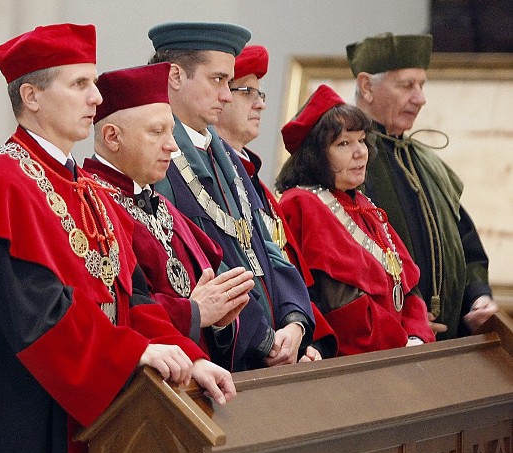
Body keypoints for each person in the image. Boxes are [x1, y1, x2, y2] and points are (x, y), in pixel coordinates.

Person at [0, 23, 236, 453]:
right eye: (79, 84)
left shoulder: (84, 186)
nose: (96, 97)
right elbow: (37, 316)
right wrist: (131, 353)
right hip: (27, 418)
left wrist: (190, 356)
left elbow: (132, 297)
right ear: (32, 96)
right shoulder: (2, 185)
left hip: (91, 406)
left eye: (93, 82)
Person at [147, 22, 315, 370]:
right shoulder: (158, 159)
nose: (227, 94)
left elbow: (269, 246)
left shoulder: (225, 154)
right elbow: (190, 260)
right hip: (224, 355)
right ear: (175, 76)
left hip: (273, 347)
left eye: (228, 82)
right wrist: (266, 339)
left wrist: (295, 322)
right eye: (217, 80)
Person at [82, 62, 255, 365]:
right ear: (112, 137)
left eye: (172, 131)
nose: (172, 146)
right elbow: (118, 308)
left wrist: (220, 319)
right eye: (156, 132)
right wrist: (194, 312)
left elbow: (209, 288)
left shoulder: (161, 204)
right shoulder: (90, 205)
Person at [349, 32, 497, 339]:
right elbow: (337, 267)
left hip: (449, 344)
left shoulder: (429, 165)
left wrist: (478, 297)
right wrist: (400, 320)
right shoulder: (339, 163)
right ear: (366, 86)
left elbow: (466, 246)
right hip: (382, 348)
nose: (420, 98)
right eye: (406, 85)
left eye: (422, 85)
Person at [276, 85, 436, 355]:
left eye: (361, 140)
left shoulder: (362, 204)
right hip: (358, 362)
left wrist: (417, 336)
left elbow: (408, 288)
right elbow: (344, 308)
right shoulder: (302, 203)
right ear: (316, 155)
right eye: (344, 144)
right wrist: (401, 343)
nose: (360, 152)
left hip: (400, 351)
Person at [214, 45, 336, 358]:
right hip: (244, 349)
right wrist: (273, 341)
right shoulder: (208, 178)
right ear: (219, 96)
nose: (260, 104)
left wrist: (303, 333)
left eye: (261, 94)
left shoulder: (260, 189)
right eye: (247, 91)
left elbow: (286, 269)